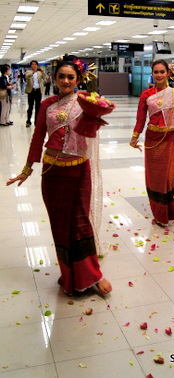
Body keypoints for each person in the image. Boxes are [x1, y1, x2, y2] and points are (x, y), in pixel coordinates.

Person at [7, 56, 112, 297]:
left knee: (81, 223)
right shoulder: (47, 105)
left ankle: (91, 275)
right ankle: (69, 273)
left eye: (71, 77)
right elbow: (38, 137)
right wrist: (27, 168)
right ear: (54, 78)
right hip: (52, 171)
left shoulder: (86, 102)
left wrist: (96, 117)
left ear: (78, 79)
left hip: (79, 168)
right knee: (60, 226)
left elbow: (90, 133)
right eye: (61, 76)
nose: (66, 81)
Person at [129, 59, 174, 226]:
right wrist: (135, 137)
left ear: (168, 73)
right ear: (152, 73)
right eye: (156, 72)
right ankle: (159, 213)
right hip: (152, 139)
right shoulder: (146, 94)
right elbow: (141, 118)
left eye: (162, 72)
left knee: (168, 176)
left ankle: (169, 210)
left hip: (170, 138)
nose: (158, 75)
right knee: (155, 177)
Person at [25, 60, 46, 127]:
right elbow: (27, 76)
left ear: (37, 65)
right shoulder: (29, 72)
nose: (34, 66)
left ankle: (36, 121)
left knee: (38, 107)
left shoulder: (40, 73)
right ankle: (28, 121)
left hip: (38, 91)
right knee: (30, 106)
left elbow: (44, 77)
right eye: (32, 64)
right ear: (31, 66)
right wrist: (33, 72)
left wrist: (43, 73)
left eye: (35, 64)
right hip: (31, 91)